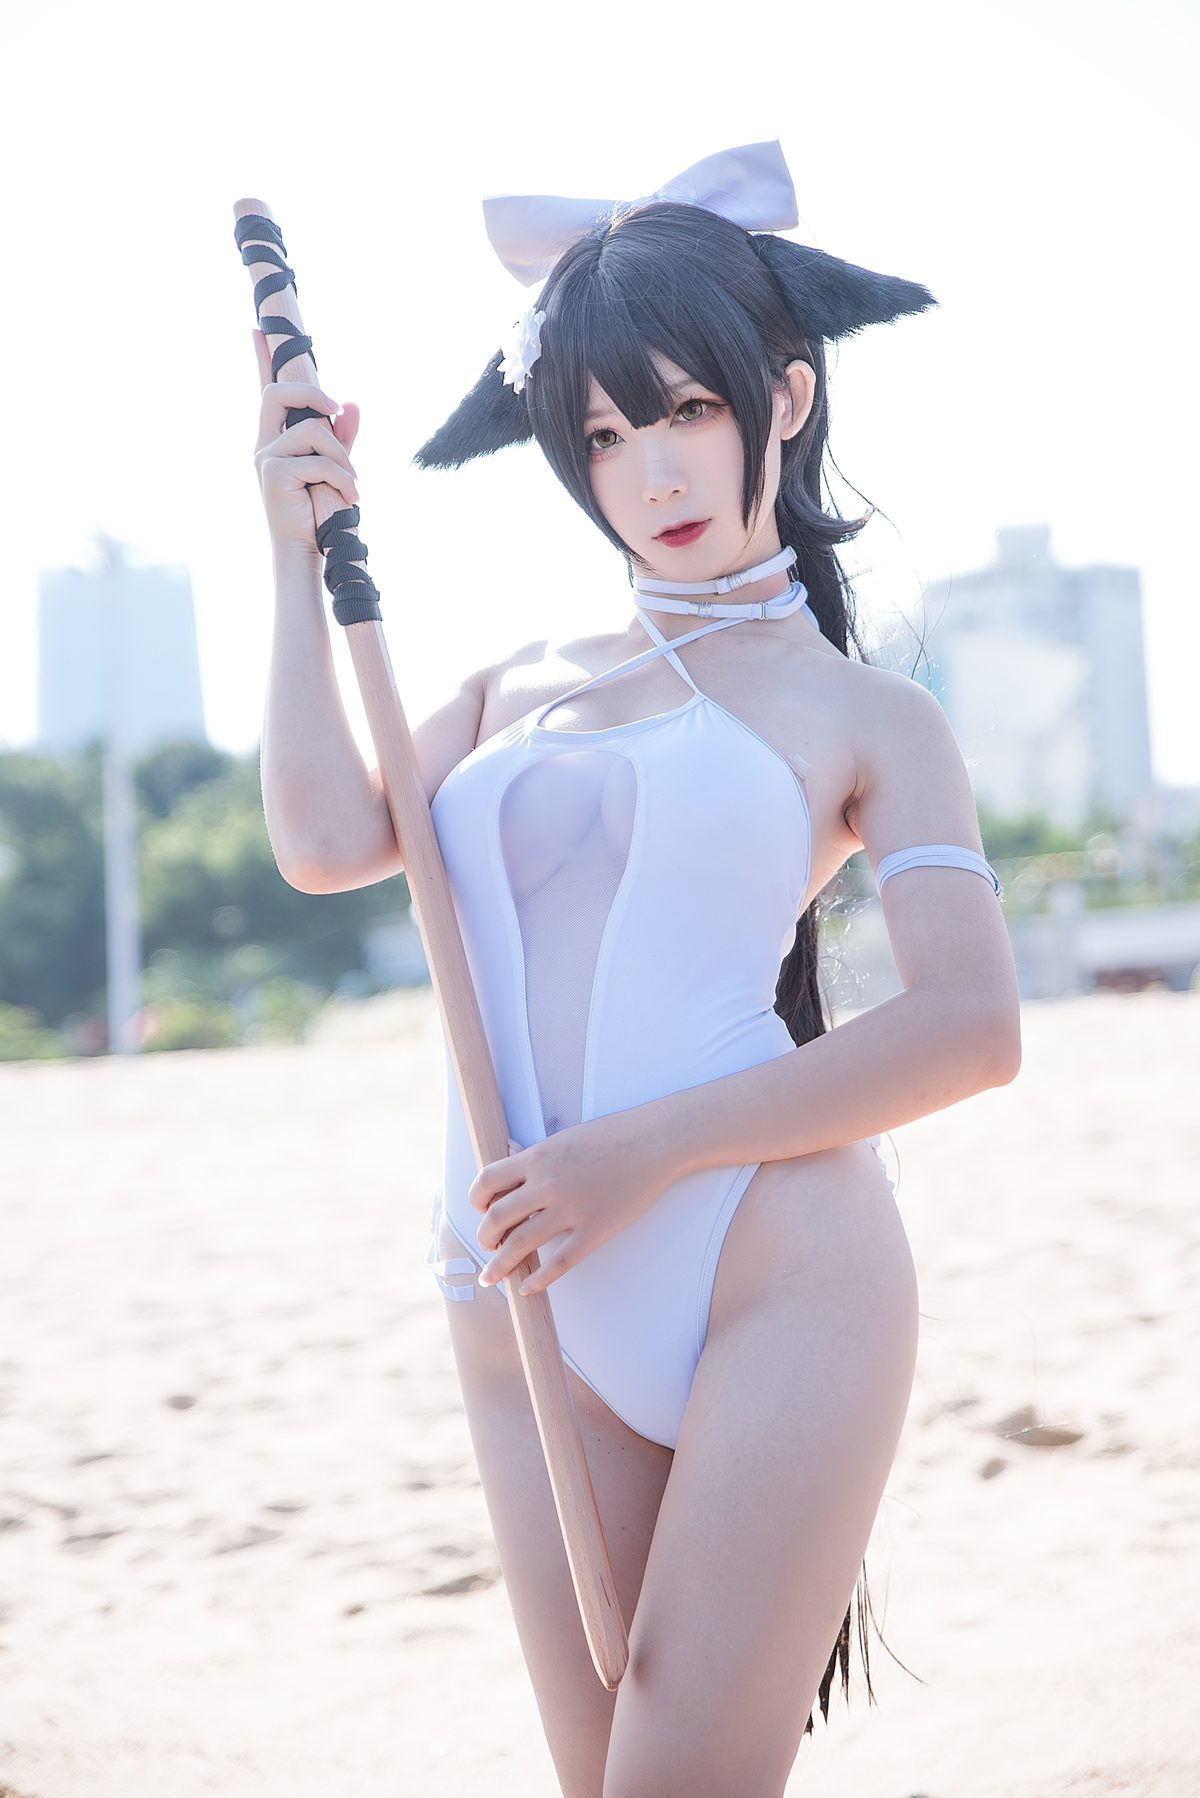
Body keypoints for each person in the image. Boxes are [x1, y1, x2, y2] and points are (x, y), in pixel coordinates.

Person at [253, 142, 1022, 1798]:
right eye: (601, 434)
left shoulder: (867, 715)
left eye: (684, 409)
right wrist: (294, 559)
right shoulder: (513, 677)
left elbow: (973, 1026)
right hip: (510, 1274)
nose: (649, 468)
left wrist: (640, 1153)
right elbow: (322, 837)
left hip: (770, 1268)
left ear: (784, 398)